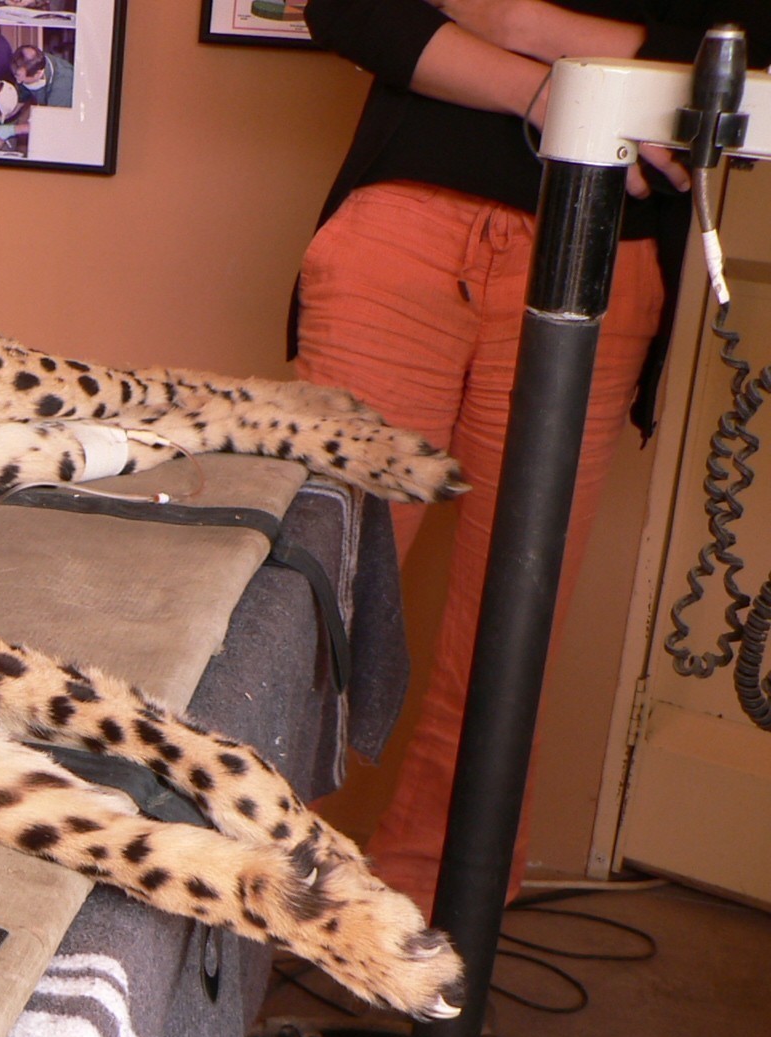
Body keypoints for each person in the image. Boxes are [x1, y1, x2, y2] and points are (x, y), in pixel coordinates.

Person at [295, 0, 771, 913]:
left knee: (509, 635)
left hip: (604, 248)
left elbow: (740, 54)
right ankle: (226, 925)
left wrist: (521, 21)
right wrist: (556, 91)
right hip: (405, 232)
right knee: (312, 597)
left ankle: (428, 942)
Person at [10, 41, 72, 110]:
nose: (18, 81)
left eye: (22, 80)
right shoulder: (34, 62)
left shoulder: (62, 88)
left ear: (38, 74)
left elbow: (52, 119)